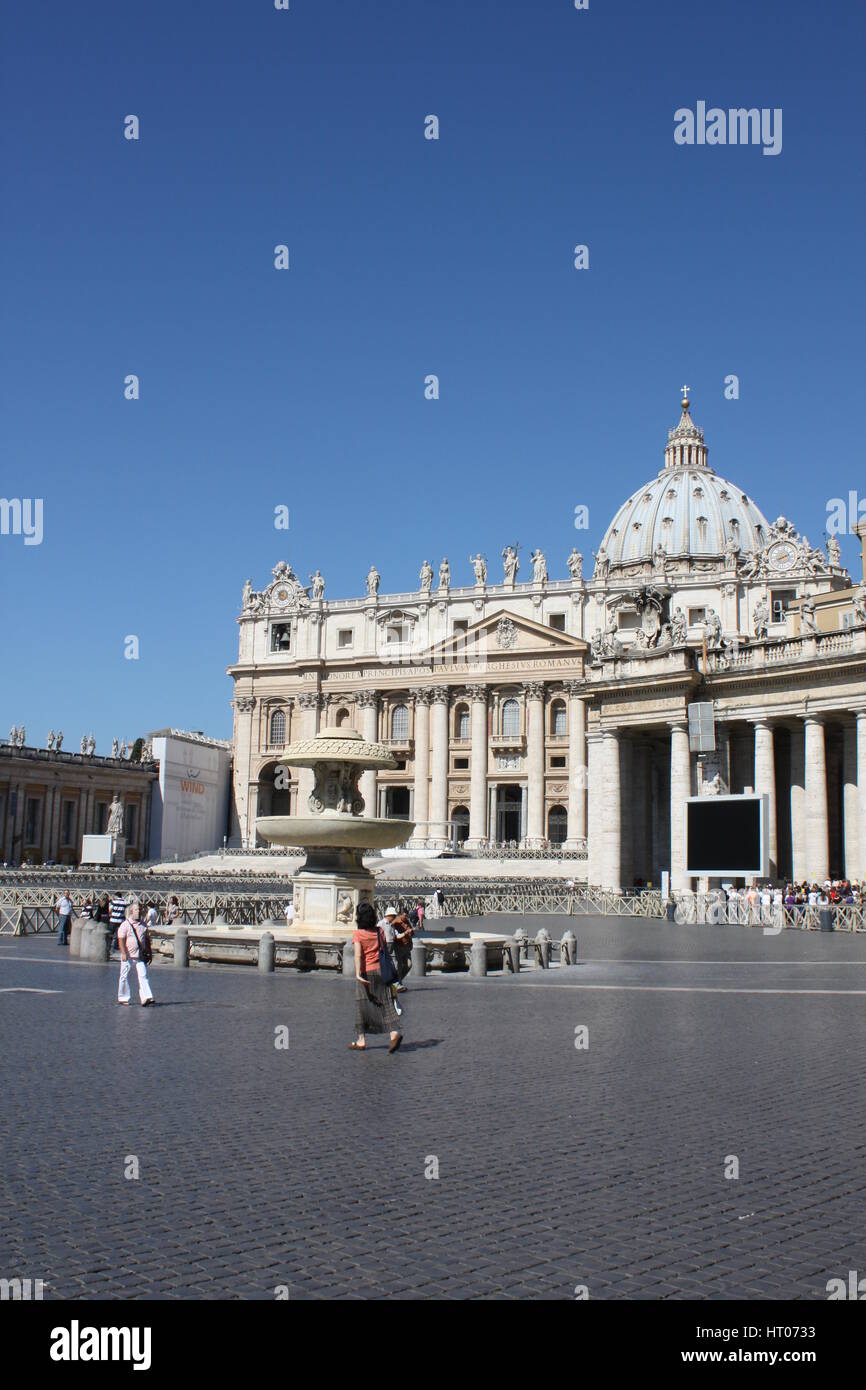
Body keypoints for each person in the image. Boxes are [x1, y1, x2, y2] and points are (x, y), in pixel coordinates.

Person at [350, 901, 402, 1053]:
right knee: (386, 1003)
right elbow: (384, 949)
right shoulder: (379, 931)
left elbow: (358, 955)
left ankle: (361, 1040)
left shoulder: (358, 934)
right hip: (381, 971)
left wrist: (358, 973)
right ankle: (393, 1034)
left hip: (367, 972)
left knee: (362, 1005)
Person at [117, 900, 154, 1007]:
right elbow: (121, 939)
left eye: (140, 909)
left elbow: (146, 939)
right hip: (128, 955)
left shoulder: (143, 925)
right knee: (124, 976)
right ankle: (123, 997)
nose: (139, 911)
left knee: (143, 975)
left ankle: (146, 997)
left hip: (140, 955)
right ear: (131, 912)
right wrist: (123, 952)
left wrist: (150, 952)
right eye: (136, 909)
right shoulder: (125, 925)